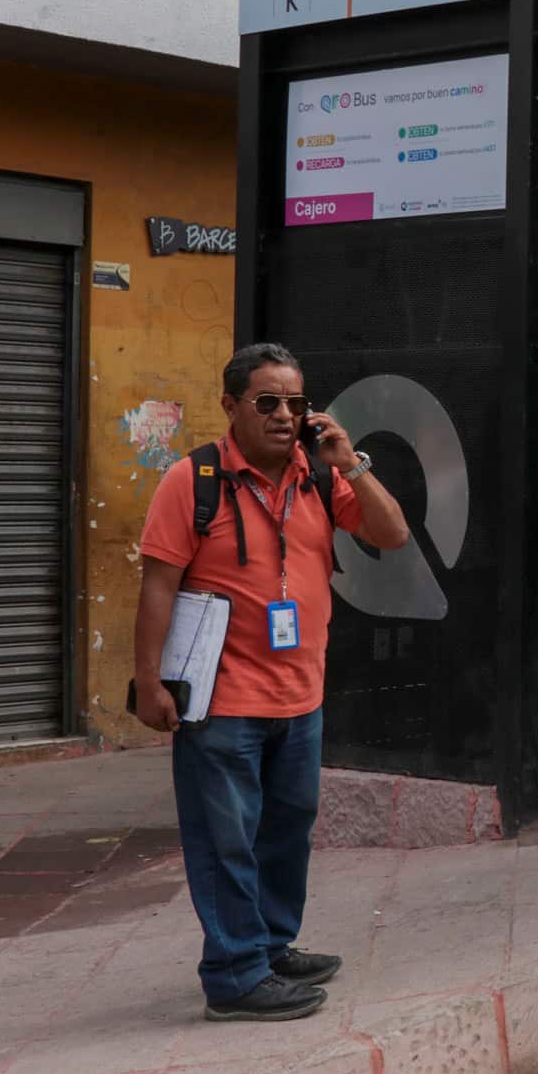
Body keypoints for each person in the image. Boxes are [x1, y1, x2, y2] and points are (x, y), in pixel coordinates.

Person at [132, 343, 412, 1022]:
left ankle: (270, 946)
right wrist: (149, 683)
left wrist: (352, 464)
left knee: (286, 831)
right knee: (226, 839)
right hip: (223, 702)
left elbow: (392, 533)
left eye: (296, 402)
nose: (286, 415)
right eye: (268, 402)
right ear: (231, 407)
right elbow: (158, 588)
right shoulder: (191, 480)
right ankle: (233, 976)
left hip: (301, 695)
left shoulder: (318, 475)